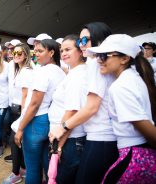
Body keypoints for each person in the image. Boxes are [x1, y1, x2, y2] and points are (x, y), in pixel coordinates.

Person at [53, 22, 119, 184]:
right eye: (80, 41)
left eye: (85, 40)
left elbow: (91, 107)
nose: (82, 45)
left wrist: (61, 129)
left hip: (101, 137)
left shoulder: (96, 65)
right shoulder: (95, 65)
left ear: (100, 40)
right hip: (97, 136)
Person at [86, 34, 156, 183]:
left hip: (134, 155)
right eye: (98, 55)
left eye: (105, 55)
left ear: (124, 59)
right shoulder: (133, 77)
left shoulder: (120, 87)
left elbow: (146, 128)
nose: (99, 60)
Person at [14, 39, 66, 183]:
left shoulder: (43, 72)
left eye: (40, 51)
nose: (36, 54)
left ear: (51, 53)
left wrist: (20, 129)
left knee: (32, 169)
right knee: (45, 165)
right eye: (35, 51)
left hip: (35, 121)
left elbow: (34, 104)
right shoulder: (61, 72)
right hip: (48, 122)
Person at [48, 35, 87, 183]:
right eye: (62, 50)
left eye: (68, 49)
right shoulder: (74, 72)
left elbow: (72, 112)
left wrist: (58, 146)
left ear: (80, 51)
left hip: (70, 139)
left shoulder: (77, 75)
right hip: (68, 138)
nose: (63, 53)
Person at [3, 43, 33, 184]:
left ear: (26, 54)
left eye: (19, 53)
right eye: (14, 53)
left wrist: (22, 116)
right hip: (16, 109)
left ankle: (16, 173)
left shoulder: (26, 71)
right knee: (19, 141)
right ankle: (23, 168)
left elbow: (26, 96)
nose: (16, 55)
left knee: (14, 141)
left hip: (22, 110)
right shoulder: (18, 69)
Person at [3, 39, 22, 163]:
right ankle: (16, 155)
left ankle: (19, 159)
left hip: (20, 104)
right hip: (11, 103)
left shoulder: (27, 66)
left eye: (13, 49)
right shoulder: (9, 64)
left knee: (17, 132)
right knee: (11, 128)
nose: (10, 51)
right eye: (9, 49)